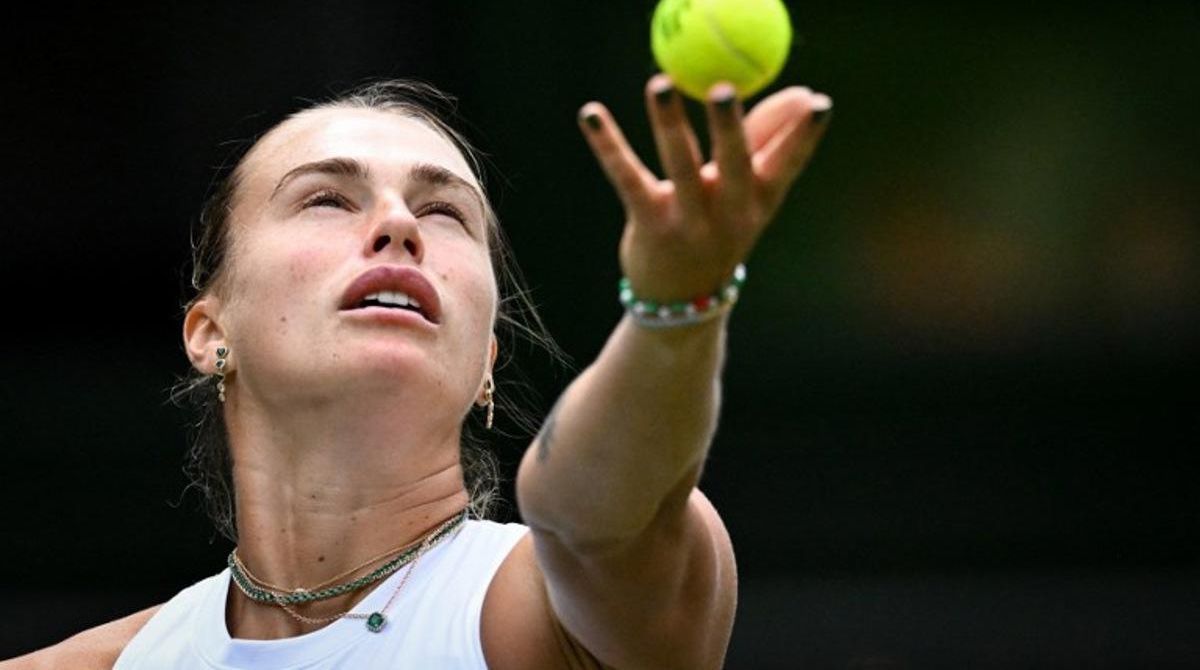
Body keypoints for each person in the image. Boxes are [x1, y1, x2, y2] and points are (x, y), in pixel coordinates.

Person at [8, 73, 832, 669]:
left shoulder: (530, 617)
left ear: (486, 362)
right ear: (209, 331)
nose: (399, 224)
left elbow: (595, 514)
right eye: (327, 199)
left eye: (443, 212)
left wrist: (673, 307)